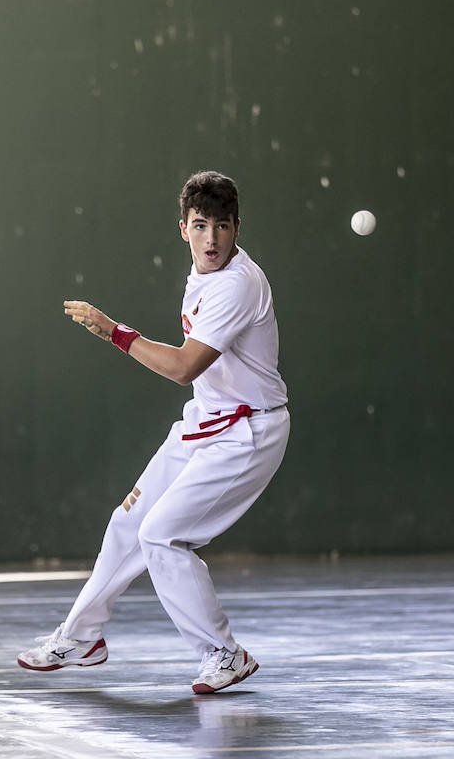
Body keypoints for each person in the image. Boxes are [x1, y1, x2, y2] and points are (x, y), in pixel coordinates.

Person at [18, 170, 290, 694]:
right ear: (183, 229)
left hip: (248, 433)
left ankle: (223, 653)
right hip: (205, 420)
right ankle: (80, 637)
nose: (212, 239)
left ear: (238, 229)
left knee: (161, 535)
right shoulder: (204, 273)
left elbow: (186, 365)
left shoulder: (238, 283)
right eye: (201, 225)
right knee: (128, 524)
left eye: (223, 227)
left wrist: (113, 332)